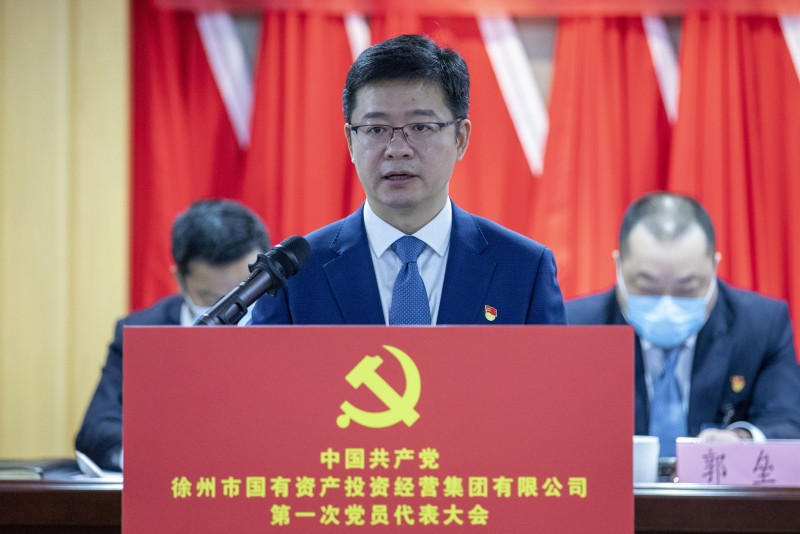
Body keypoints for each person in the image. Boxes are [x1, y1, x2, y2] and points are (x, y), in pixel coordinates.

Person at [251, 34, 565, 326]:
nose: (397, 149)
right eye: (376, 129)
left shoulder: (524, 268)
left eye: (420, 127)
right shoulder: (294, 275)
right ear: (351, 142)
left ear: (460, 138)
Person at [566, 192, 800, 456]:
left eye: (687, 289)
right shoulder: (573, 329)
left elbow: (787, 422)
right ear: (619, 265)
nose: (667, 304)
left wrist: (741, 441)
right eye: (647, 287)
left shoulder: (761, 326)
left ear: (714, 267)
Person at [75, 199, 270, 471]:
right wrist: (152, 457)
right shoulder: (143, 332)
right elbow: (96, 430)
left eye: (246, 293)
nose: (232, 310)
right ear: (180, 279)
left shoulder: (291, 324)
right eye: (213, 299)